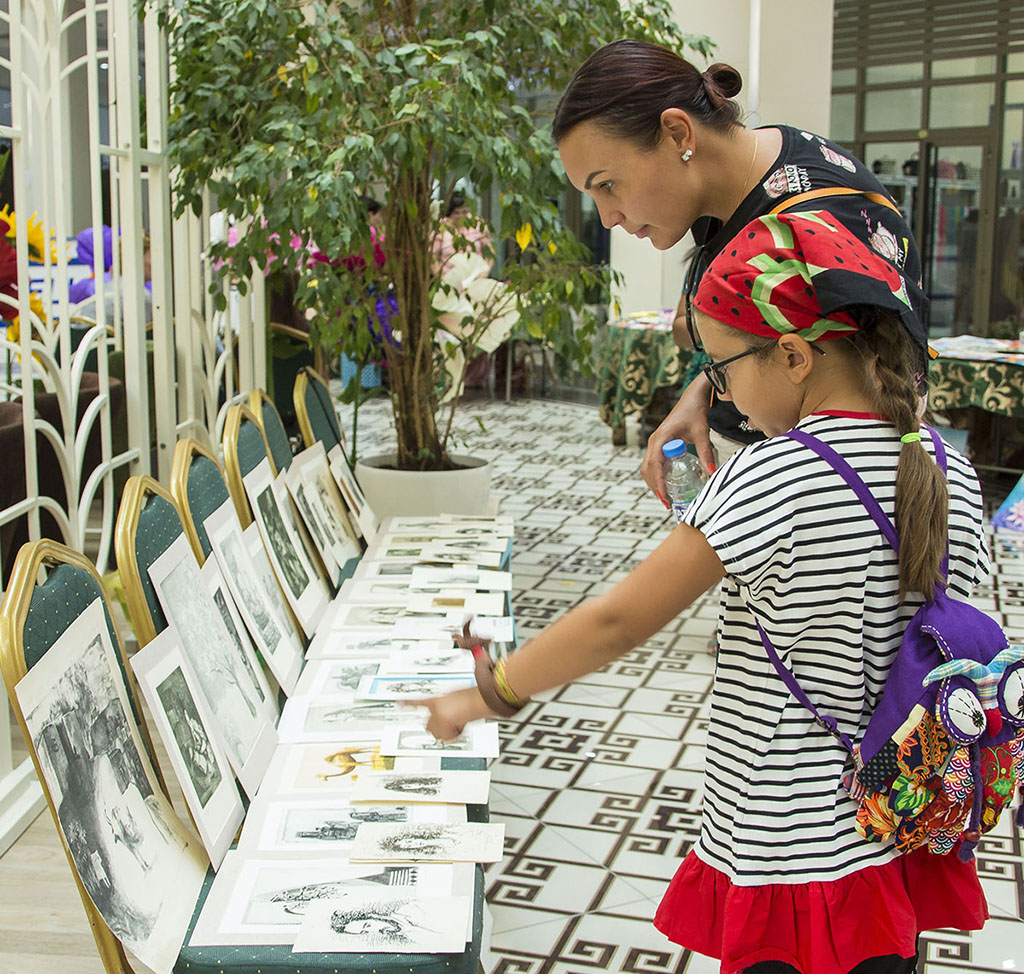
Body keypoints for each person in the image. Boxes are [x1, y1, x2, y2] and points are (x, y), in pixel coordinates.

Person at [416, 212, 990, 973]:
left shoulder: (771, 474)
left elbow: (618, 620)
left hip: (791, 857)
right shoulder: (946, 466)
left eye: (720, 370)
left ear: (792, 355)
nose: (719, 393)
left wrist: (488, 692)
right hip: (903, 830)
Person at [551, 39, 927, 510]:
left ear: (677, 134)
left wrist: (739, 522)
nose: (607, 217)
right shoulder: (729, 190)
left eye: (607, 184)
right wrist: (703, 390)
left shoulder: (818, 213)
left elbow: (849, 413)